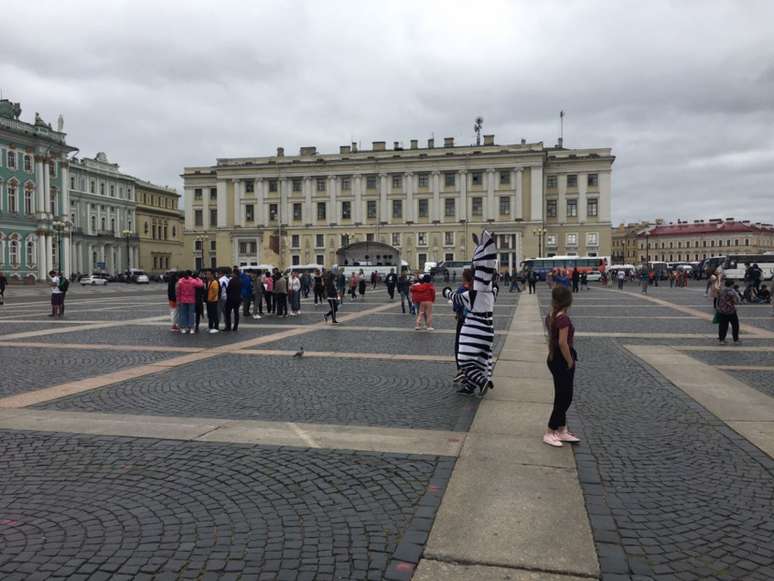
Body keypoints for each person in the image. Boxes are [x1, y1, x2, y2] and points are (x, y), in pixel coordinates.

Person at [544, 285, 580, 447]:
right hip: (561, 359)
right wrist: (570, 361)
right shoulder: (563, 318)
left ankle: (562, 429)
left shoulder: (551, 315)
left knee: (562, 393)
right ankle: (550, 430)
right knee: (565, 397)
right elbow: (562, 343)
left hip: (553, 358)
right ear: (568, 300)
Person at [450, 268, 473, 376]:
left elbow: (456, 305)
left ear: (464, 278)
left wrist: (457, 312)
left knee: (459, 344)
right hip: (474, 321)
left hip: (463, 320)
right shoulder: (476, 289)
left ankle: (461, 368)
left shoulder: (461, 290)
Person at [716, 279, 741, 344]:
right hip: (731, 311)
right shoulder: (732, 291)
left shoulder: (721, 291)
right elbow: (737, 301)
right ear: (732, 284)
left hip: (722, 311)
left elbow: (717, 299)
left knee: (723, 326)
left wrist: (718, 307)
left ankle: (721, 340)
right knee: (735, 325)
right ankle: (736, 340)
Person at [224, 267, 242, 331]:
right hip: (238, 298)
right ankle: (235, 327)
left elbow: (228, 290)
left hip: (231, 299)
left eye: (232, 273)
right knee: (236, 313)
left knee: (227, 313)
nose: (231, 274)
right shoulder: (240, 280)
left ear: (234, 273)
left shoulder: (231, 280)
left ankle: (228, 327)